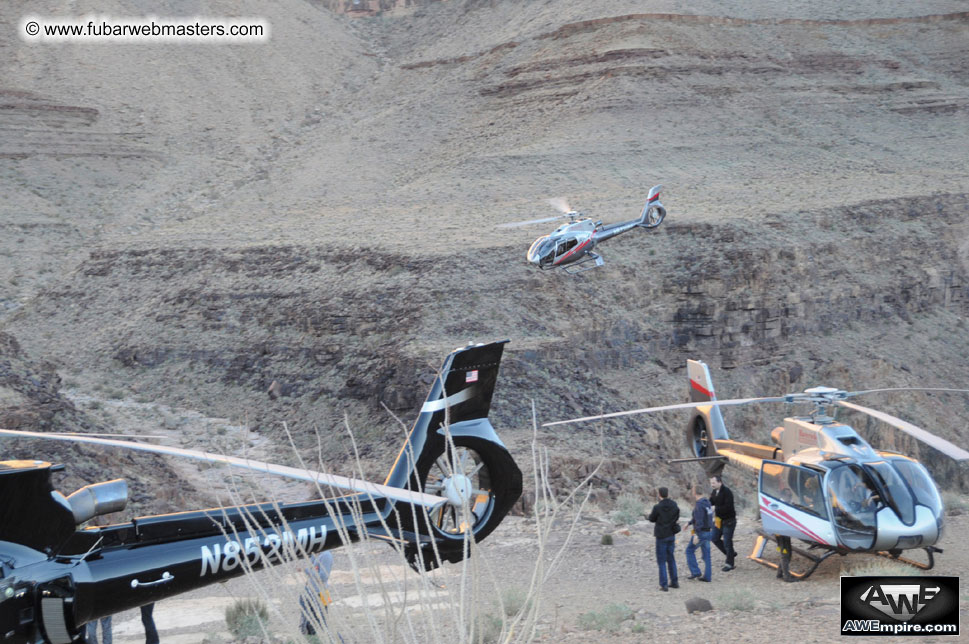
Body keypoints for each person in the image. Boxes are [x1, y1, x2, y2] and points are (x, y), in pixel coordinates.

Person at [646, 487, 680, 592]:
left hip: (661, 535)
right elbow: (677, 516)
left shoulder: (657, 507)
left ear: (659, 494)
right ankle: (674, 582)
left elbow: (652, 519)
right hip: (671, 534)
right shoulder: (674, 505)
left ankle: (664, 584)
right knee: (671, 558)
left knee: (661, 561)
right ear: (667, 493)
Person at [299, 550, 334, 635]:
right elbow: (312, 569)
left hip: (319, 594)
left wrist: (305, 570)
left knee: (319, 625)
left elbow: (323, 577)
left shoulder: (326, 556)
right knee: (306, 624)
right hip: (308, 592)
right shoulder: (315, 554)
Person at [684, 486, 714, 582]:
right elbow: (700, 517)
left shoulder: (699, 505)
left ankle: (695, 572)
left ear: (695, 493)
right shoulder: (707, 503)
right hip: (709, 532)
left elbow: (699, 521)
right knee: (707, 555)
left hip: (701, 533)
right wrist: (689, 523)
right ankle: (707, 577)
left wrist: (696, 534)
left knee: (689, 550)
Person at [710, 474, 737, 572]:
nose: (712, 484)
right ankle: (730, 554)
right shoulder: (714, 492)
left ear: (719, 482)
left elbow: (728, 507)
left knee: (727, 542)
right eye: (711, 483)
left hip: (729, 521)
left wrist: (715, 508)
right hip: (718, 520)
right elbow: (711, 502)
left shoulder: (727, 492)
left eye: (713, 483)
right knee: (714, 538)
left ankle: (730, 564)